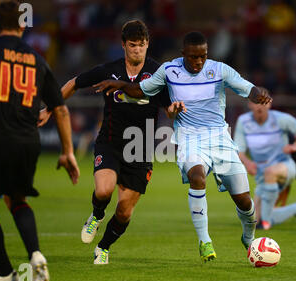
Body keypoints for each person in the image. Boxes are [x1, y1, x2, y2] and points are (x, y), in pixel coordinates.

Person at [93, 31, 272, 262]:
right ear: (183, 54)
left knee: (244, 201)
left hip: (219, 138)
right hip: (189, 138)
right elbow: (142, 90)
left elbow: (248, 88)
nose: (198, 62)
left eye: (203, 56)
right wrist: (121, 84)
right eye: (193, 57)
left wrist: (259, 94)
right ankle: (204, 241)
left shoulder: (219, 70)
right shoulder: (169, 70)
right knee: (197, 177)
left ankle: (249, 237)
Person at [0, 0, 80, 281]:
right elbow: (60, 110)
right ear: (23, 25)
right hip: (29, 142)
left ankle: (4, 272)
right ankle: (35, 254)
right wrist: (68, 151)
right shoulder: (37, 59)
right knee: (17, 199)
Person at [59, 20, 176, 265]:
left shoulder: (158, 74)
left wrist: (175, 110)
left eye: (142, 45)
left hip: (141, 148)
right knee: (103, 190)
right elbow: (74, 83)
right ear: (123, 45)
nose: (137, 50)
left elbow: (170, 107)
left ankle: (103, 247)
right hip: (110, 142)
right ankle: (96, 215)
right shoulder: (108, 70)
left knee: (124, 211)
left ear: (147, 44)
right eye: (133, 45)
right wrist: (49, 108)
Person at [234, 91, 296, 230]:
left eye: (263, 102)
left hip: (284, 167)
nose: (260, 106)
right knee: (254, 219)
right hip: (261, 174)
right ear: (250, 104)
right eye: (256, 102)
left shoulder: (280, 119)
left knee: (270, 172)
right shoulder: (243, 121)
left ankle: (266, 224)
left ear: (270, 103)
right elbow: (238, 150)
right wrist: (248, 164)